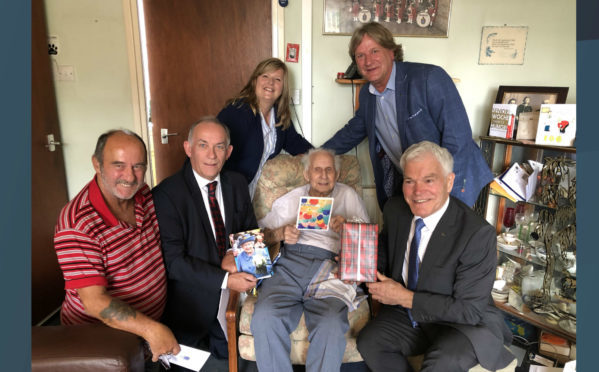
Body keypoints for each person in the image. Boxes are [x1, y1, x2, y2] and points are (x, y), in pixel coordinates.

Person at [357, 141, 514, 372]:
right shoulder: (396, 210)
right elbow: (383, 255)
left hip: (464, 324)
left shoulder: (477, 234)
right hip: (413, 317)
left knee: (441, 361)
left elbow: (468, 310)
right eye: (410, 181)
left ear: (449, 182)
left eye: (429, 180)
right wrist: (358, 266)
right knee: (369, 341)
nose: (417, 191)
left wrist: (405, 298)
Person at [322, 22, 492, 209]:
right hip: (415, 185)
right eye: (360, 56)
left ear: (391, 52)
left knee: (451, 237)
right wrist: (317, 154)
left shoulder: (429, 78)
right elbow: (353, 131)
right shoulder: (367, 94)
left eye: (374, 51)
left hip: (457, 180)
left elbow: (458, 138)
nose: (368, 61)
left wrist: (444, 187)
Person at [53, 130, 180, 365]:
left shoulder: (142, 194)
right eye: (118, 165)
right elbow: (95, 302)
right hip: (102, 344)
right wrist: (151, 329)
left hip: (146, 331)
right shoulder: (78, 223)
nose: (130, 177)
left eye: (138, 166)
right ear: (97, 163)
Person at [152, 117, 258, 369]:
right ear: (188, 148)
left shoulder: (237, 183)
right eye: (203, 145)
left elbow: (249, 233)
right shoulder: (167, 195)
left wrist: (239, 259)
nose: (212, 155)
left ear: (229, 152)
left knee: (248, 364)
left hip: (234, 297)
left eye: (219, 146)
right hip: (192, 307)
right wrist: (225, 279)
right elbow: (174, 263)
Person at [250, 148, 370, 372]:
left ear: (337, 173)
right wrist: (280, 233)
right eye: (317, 170)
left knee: (331, 323)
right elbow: (259, 234)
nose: (323, 175)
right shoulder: (293, 198)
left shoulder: (347, 196)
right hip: (289, 263)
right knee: (265, 317)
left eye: (329, 170)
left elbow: (368, 243)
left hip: (330, 266)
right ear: (307, 174)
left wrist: (348, 228)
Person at [217, 57, 313, 199]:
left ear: (283, 88)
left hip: (251, 192)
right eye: (265, 76)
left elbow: (295, 143)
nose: (270, 83)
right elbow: (214, 150)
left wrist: (321, 157)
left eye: (277, 79)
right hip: (226, 191)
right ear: (255, 80)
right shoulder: (237, 111)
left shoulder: (279, 115)